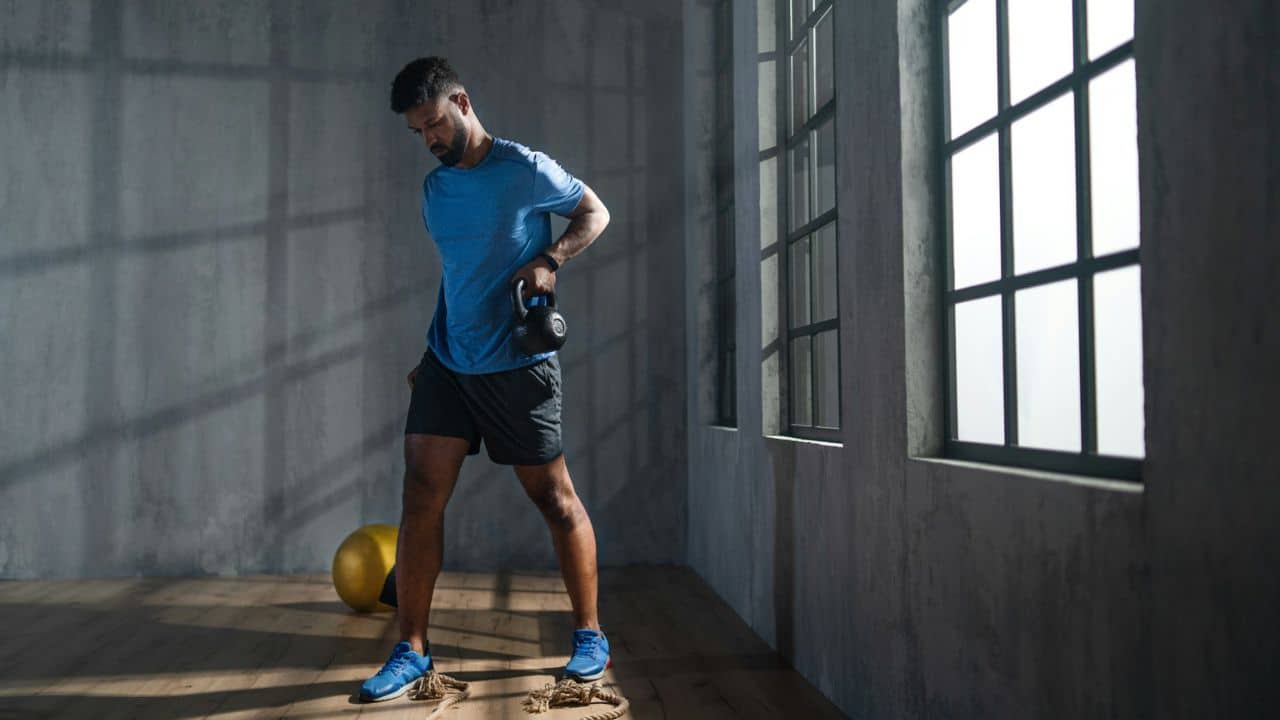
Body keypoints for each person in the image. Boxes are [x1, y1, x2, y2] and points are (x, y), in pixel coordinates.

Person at [358, 57, 613, 703]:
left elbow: (594, 213)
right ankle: (411, 648)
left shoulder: (525, 169)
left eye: (436, 124)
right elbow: (459, 277)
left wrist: (550, 258)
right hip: (449, 360)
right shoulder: (435, 191)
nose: (430, 141)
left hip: (516, 367)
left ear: (463, 102)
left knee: (554, 501)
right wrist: (430, 348)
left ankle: (589, 636)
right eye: (418, 132)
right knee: (419, 494)